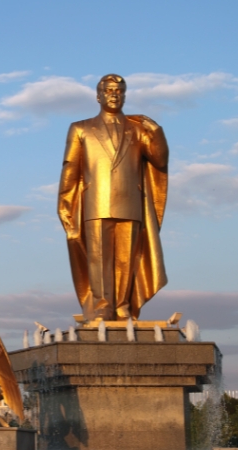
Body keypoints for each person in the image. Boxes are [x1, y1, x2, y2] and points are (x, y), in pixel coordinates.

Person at [58, 74, 169, 321]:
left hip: (130, 203)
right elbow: (70, 168)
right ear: (98, 96)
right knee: (98, 258)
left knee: (126, 260)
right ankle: (102, 306)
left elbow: (159, 160)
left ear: (125, 96)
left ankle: (122, 306)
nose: (114, 94)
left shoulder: (137, 129)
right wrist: (64, 203)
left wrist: (156, 131)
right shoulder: (81, 128)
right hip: (95, 203)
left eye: (119, 90)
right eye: (108, 90)